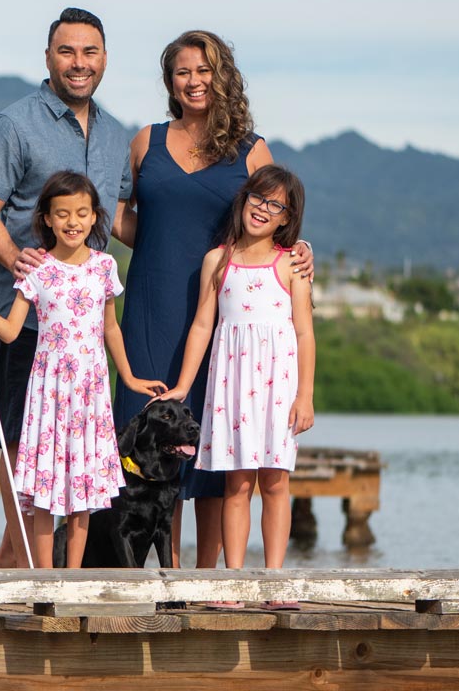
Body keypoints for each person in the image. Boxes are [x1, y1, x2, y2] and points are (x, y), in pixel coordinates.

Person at [114, 30, 313, 569]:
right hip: (154, 307)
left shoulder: (251, 149)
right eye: (183, 72)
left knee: (213, 448)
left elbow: (277, 216)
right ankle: (158, 577)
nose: (194, 81)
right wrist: (158, 242)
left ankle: (206, 580)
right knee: (149, 441)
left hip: (226, 321)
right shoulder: (145, 141)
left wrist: (300, 251)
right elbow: (117, 216)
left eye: (204, 70)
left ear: (223, 77)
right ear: (170, 82)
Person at [0, 8, 135, 568]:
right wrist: (21, 261)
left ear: (105, 59)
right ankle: (20, 561)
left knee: (72, 451)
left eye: (90, 52)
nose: (79, 63)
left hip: (85, 335)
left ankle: (12, 562)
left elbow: (123, 221)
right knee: (20, 443)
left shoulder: (114, 135)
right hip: (31, 317)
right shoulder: (15, 125)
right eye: (67, 52)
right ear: (48, 58)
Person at [0, 171, 165, 568]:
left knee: (83, 489)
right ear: (48, 219)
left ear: (93, 217)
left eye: (81, 213)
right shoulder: (37, 268)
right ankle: (44, 578)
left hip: (90, 392)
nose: (73, 221)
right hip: (49, 393)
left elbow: (111, 327)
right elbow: (9, 332)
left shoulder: (104, 266)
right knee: (44, 489)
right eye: (63, 213)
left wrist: (131, 377)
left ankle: (74, 577)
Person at [161, 165, 315, 608]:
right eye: (257, 198)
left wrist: (305, 395)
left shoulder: (291, 265)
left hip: (278, 387)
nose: (262, 209)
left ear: (286, 217)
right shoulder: (218, 260)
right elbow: (202, 325)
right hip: (232, 385)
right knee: (237, 487)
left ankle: (274, 582)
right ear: (243, 199)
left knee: (275, 484)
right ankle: (232, 583)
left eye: (274, 205)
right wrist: (182, 385)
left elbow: (305, 333)